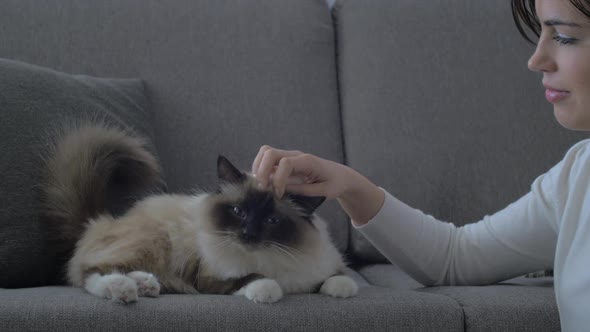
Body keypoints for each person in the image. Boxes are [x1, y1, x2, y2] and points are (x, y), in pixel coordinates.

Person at [251, 0, 590, 330]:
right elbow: (456, 257)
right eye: (542, 33)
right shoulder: (578, 175)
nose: (537, 59)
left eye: (563, 37)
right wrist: (348, 184)